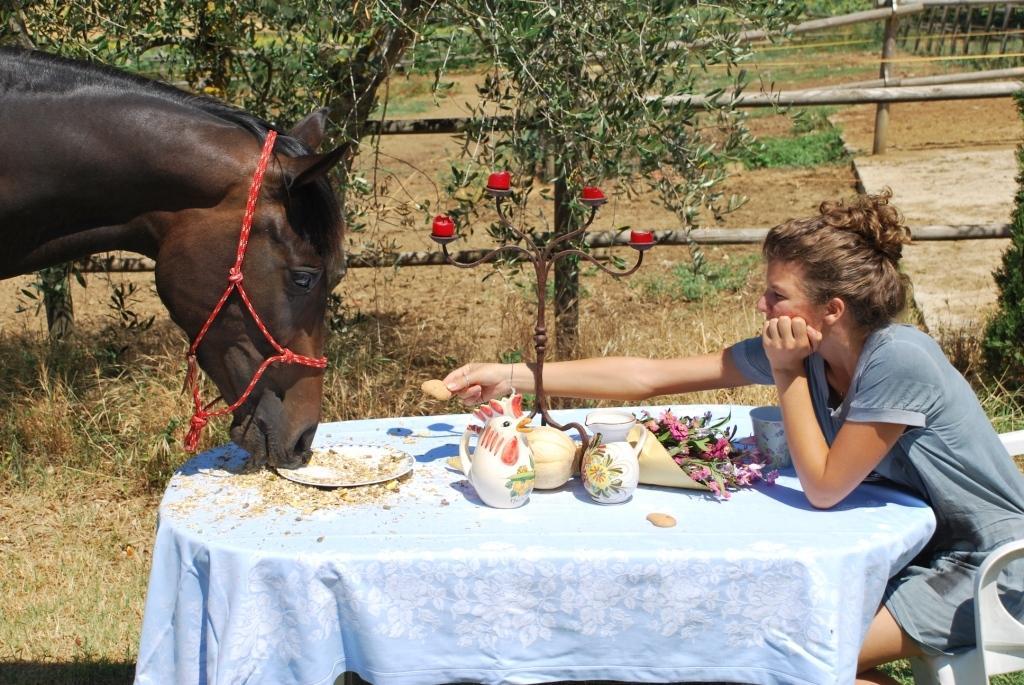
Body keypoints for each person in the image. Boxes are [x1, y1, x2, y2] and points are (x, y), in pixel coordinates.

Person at [442, 191, 1024, 685]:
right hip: (918, 551)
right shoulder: (812, 352)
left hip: (991, 569)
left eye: (777, 295)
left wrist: (787, 374)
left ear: (832, 310)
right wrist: (515, 375)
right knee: (753, 638)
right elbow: (648, 376)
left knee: (775, 655)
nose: (761, 305)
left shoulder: (895, 359)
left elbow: (823, 487)